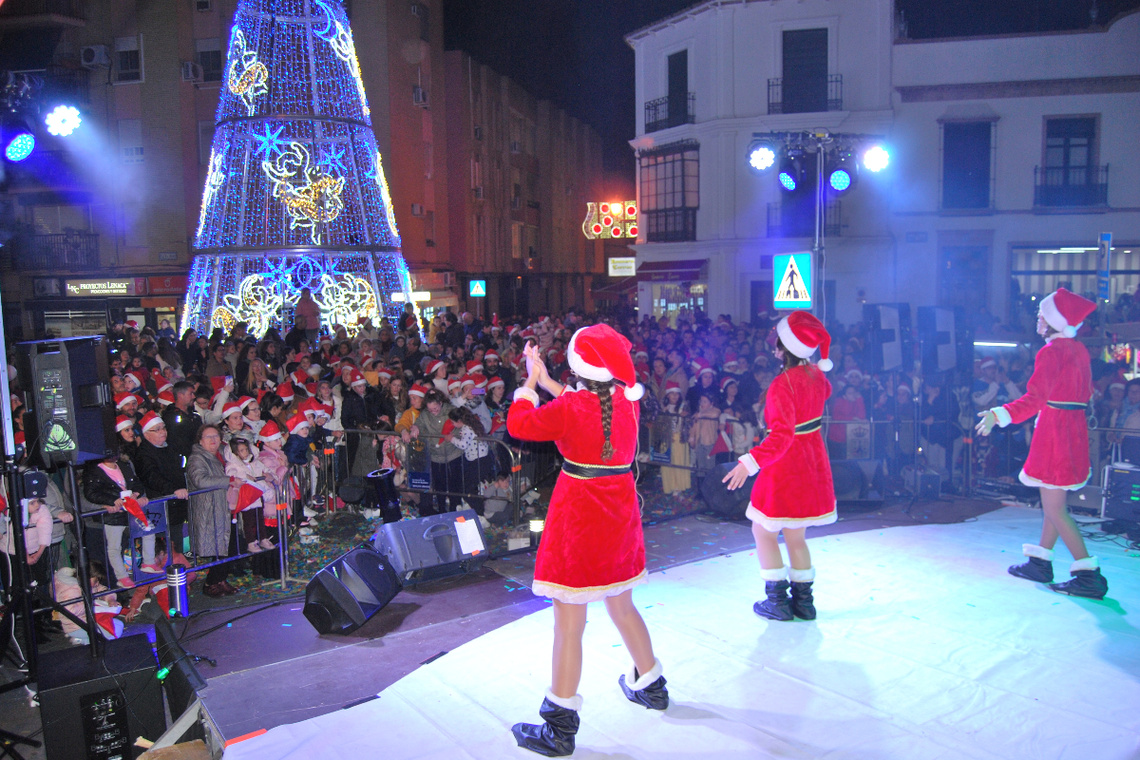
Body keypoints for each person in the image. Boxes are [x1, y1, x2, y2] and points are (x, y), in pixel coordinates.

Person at [508, 324, 666, 757]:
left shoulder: (573, 407)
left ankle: (559, 729)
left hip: (578, 518)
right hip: (619, 515)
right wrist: (548, 382)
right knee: (622, 604)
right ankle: (651, 684)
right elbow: (589, 408)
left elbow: (520, 423)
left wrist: (528, 383)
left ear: (579, 364)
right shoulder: (626, 402)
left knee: (569, 625)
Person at [976, 288, 1108, 599]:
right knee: (1053, 504)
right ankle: (1040, 562)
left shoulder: (1051, 352)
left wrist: (1000, 414)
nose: (1037, 318)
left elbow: (1035, 399)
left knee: (1055, 508)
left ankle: (1088, 574)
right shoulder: (1078, 350)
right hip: (1071, 432)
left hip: (1055, 435)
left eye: (1042, 315)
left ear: (1054, 321)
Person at [723, 311, 837, 622]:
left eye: (777, 345)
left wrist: (749, 462)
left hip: (785, 466)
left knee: (762, 530)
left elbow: (783, 435)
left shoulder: (781, 384)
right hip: (812, 461)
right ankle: (804, 603)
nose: (774, 350)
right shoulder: (817, 376)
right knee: (796, 536)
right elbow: (822, 397)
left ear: (784, 349)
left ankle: (777, 600)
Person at [186, 425, 238, 597]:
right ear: (200, 440)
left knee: (226, 546)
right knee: (217, 547)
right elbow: (200, 480)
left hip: (223, 506)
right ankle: (211, 583)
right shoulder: (197, 458)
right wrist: (227, 481)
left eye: (216, 436)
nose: (213, 440)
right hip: (209, 509)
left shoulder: (221, 454)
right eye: (208, 437)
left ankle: (220, 579)